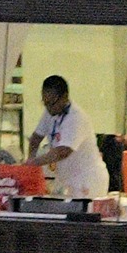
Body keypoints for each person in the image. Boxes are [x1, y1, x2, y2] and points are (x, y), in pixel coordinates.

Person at [22, 73, 94, 203]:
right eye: (45, 103)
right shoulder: (50, 112)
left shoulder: (76, 117)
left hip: (87, 181)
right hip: (67, 179)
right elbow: (36, 137)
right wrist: (30, 157)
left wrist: (35, 163)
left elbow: (62, 152)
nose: (48, 108)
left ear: (64, 97)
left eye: (51, 103)